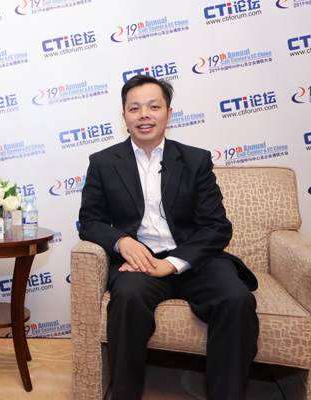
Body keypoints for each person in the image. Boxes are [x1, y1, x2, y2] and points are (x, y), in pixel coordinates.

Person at [78, 75, 259, 400]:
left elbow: (217, 226)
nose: (144, 115)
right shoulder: (103, 163)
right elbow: (90, 222)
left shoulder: (195, 160)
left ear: (169, 113)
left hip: (196, 260)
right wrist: (123, 242)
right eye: (135, 108)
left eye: (153, 106)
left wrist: (174, 263)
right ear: (124, 116)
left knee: (236, 298)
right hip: (140, 263)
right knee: (127, 298)